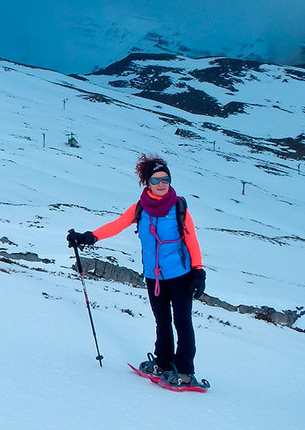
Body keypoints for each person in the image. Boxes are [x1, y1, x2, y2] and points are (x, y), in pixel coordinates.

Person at [67, 155, 207, 388]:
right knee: (161, 321)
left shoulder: (179, 207)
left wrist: (199, 271)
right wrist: (88, 237)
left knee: (182, 322)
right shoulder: (140, 208)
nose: (162, 184)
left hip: (181, 275)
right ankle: (163, 362)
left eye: (166, 179)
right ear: (147, 183)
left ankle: (184, 371)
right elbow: (117, 225)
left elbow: (192, 242)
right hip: (154, 277)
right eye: (156, 180)